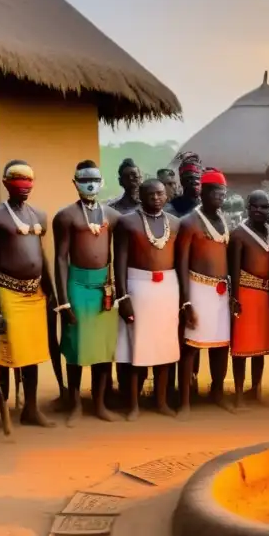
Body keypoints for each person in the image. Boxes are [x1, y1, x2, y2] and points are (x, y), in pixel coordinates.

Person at [0, 160, 55, 428]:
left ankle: (31, 408)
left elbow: (42, 255)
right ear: (5, 182)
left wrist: (50, 289)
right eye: (17, 179)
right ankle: (3, 411)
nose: (24, 185)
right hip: (7, 291)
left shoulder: (39, 216)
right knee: (8, 352)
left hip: (34, 293)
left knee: (32, 353)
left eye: (28, 179)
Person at [52, 161, 121, 426]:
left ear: (102, 182)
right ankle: (76, 404)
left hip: (104, 286)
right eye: (84, 179)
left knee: (103, 348)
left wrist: (116, 291)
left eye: (95, 179)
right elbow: (60, 258)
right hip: (77, 286)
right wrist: (64, 301)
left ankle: (100, 403)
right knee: (77, 346)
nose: (90, 184)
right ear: (75, 182)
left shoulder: (112, 217)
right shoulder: (66, 216)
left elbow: (116, 254)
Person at [114, 179, 180, 419]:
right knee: (136, 348)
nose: (156, 198)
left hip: (168, 289)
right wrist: (123, 296)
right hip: (138, 286)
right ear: (141, 196)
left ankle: (161, 401)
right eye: (150, 194)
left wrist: (183, 300)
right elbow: (119, 261)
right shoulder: (126, 222)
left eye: (160, 194)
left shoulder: (175, 223)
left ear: (166, 196)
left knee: (164, 346)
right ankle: (133, 405)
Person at [177, 169, 234, 414]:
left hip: (221, 291)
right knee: (191, 345)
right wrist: (186, 301)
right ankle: (185, 401)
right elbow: (181, 262)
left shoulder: (225, 220)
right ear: (204, 192)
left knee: (221, 345)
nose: (219, 196)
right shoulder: (189, 222)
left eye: (222, 192)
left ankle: (217, 392)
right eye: (215, 192)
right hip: (197, 288)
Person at [229, 190, 269, 409]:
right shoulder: (239, 234)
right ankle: (239, 394)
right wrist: (235, 299)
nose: (260, 211)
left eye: (264, 207)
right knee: (242, 347)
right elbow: (234, 269)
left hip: (266, 296)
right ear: (248, 208)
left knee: (259, 348)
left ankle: (256, 390)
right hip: (246, 295)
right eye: (255, 206)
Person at [169, 153, 203, 217]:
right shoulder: (173, 206)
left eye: (198, 179)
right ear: (182, 182)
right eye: (190, 178)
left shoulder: (206, 204)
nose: (195, 182)